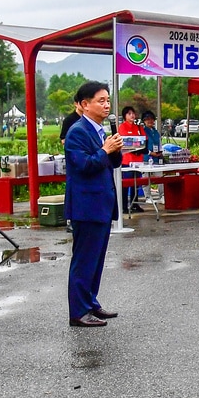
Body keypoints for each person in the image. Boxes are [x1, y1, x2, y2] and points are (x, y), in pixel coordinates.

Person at [64, 82, 124, 328]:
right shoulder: (77, 132)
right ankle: (78, 312)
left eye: (107, 100)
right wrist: (105, 149)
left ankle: (90, 303)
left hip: (101, 204)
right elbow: (85, 166)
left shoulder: (101, 130)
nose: (106, 104)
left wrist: (114, 147)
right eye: (101, 100)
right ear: (84, 104)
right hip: (86, 206)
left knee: (97, 260)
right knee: (84, 260)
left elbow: (114, 163)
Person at [117, 106, 144, 213]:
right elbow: (124, 142)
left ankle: (135, 204)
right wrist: (134, 146)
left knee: (136, 183)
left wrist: (138, 147)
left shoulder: (138, 128)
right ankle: (123, 205)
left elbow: (143, 140)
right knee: (126, 183)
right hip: (127, 160)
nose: (132, 115)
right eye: (129, 114)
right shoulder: (122, 127)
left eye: (133, 113)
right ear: (125, 116)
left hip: (138, 160)